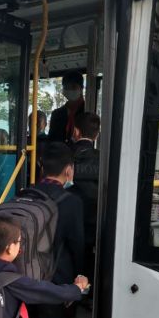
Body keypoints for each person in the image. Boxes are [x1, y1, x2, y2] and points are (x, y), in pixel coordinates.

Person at [24, 142, 85, 318]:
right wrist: (79, 280)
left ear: (40, 166)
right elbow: (77, 244)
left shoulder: (25, 193)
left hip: (22, 275)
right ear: (69, 171)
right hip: (54, 279)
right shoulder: (71, 202)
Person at [71, 111, 100, 288]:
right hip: (94, 223)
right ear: (96, 135)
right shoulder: (103, 159)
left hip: (67, 222)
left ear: (76, 131)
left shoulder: (64, 155)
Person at [48, 72, 86, 143]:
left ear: (82, 88)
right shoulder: (56, 114)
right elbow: (51, 140)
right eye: (66, 87)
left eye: (73, 87)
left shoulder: (88, 111)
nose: (70, 90)